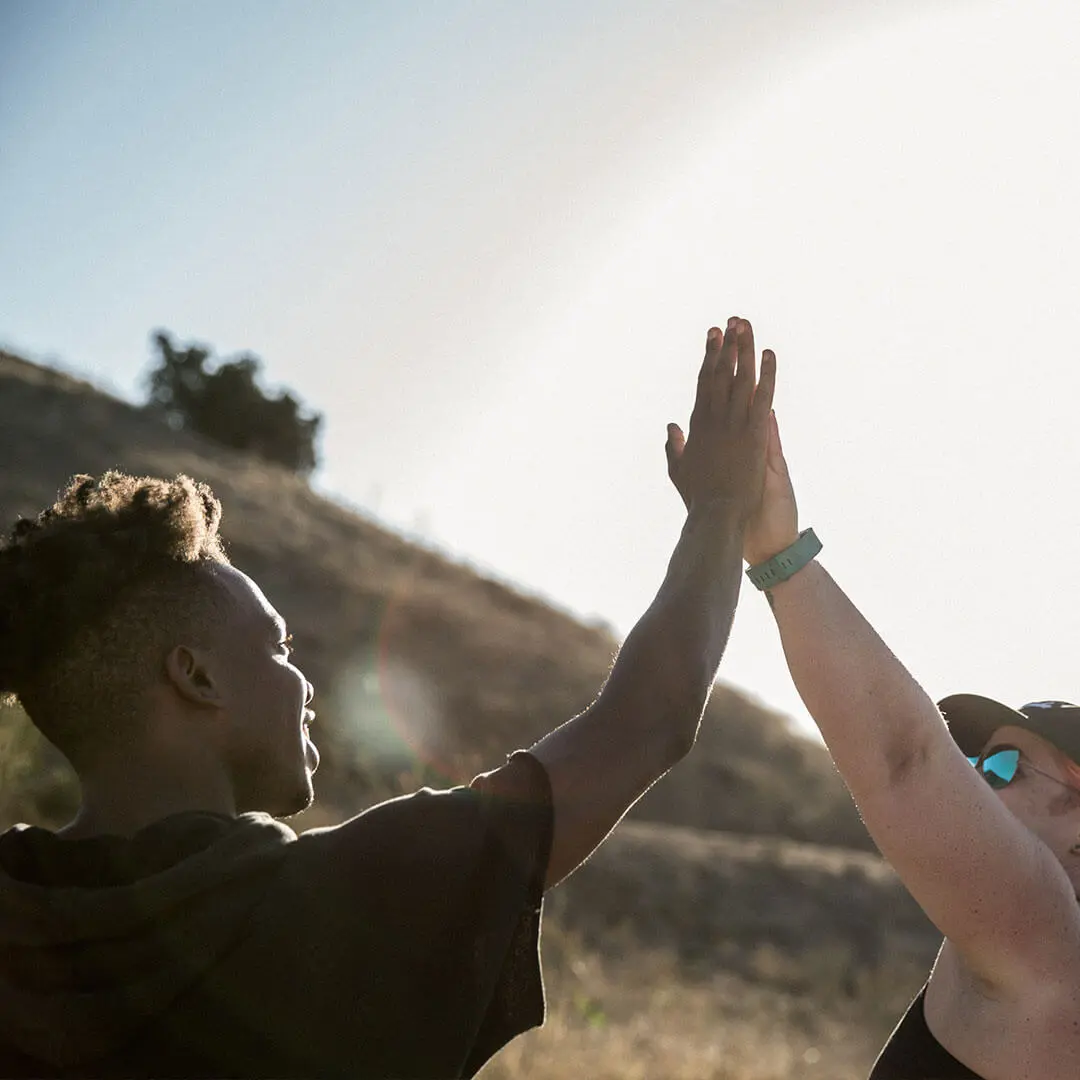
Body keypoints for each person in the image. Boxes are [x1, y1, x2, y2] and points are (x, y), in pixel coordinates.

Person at [0, 316, 775, 1079]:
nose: (303, 685)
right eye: (277, 647)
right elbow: (646, 722)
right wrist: (720, 509)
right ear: (195, 677)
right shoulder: (337, 905)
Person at [727, 342, 1080, 1079]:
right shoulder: (1006, 941)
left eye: (1004, 766)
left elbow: (905, 760)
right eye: (981, 760)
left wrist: (777, 553)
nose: (974, 775)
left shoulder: (1049, 939)